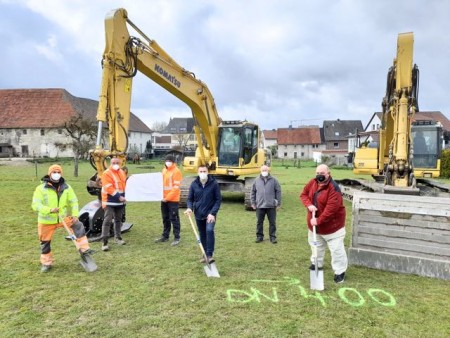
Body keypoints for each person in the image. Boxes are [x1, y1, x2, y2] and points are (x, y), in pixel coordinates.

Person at [31, 164, 93, 272]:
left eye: (58, 172)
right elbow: (35, 205)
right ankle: (46, 263)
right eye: (54, 172)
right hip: (46, 220)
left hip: (62, 218)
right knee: (45, 242)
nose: (56, 174)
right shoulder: (40, 188)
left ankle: (85, 250)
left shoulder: (67, 187)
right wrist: (49, 209)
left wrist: (74, 215)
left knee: (78, 225)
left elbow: (73, 201)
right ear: (49, 173)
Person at [300, 164, 348, 283]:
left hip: (333, 227)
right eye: (317, 173)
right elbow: (304, 195)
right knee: (316, 247)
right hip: (315, 227)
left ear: (328, 174)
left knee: (337, 251)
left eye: (322, 173)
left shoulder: (334, 188)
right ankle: (317, 263)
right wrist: (309, 205)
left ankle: (339, 271)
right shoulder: (313, 182)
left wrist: (318, 220)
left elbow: (331, 210)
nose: (319, 175)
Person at [185, 165, 221, 263]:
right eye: (200, 171)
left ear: (208, 172)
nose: (202, 173)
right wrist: (189, 208)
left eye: (204, 171)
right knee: (202, 233)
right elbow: (190, 199)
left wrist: (213, 213)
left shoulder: (214, 184)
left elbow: (218, 200)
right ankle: (204, 253)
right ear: (197, 172)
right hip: (198, 214)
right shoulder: (194, 184)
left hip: (210, 214)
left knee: (209, 230)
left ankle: (209, 255)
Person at [155, 155, 183, 246]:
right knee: (165, 218)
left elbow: (175, 188)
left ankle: (177, 237)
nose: (167, 162)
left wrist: (167, 198)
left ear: (173, 162)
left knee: (174, 218)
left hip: (172, 200)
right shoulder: (164, 170)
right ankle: (165, 236)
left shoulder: (176, 171)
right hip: (164, 199)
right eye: (166, 160)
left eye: (169, 160)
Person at [100, 157, 127, 251]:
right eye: (113, 162)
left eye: (117, 162)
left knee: (118, 220)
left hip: (120, 202)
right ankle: (104, 242)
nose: (115, 164)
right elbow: (109, 188)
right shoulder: (106, 173)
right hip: (109, 201)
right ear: (110, 163)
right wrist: (119, 197)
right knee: (107, 221)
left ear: (120, 163)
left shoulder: (122, 172)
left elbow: (124, 186)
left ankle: (118, 238)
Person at [251, 165, 282, 244]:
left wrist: (278, 203)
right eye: (263, 170)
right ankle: (259, 237)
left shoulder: (274, 180)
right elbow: (253, 192)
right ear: (260, 171)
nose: (264, 171)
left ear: (268, 171)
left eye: (266, 170)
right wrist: (253, 203)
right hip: (260, 205)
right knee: (259, 222)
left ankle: (272, 237)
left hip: (271, 206)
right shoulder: (256, 180)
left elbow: (278, 191)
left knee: (272, 222)